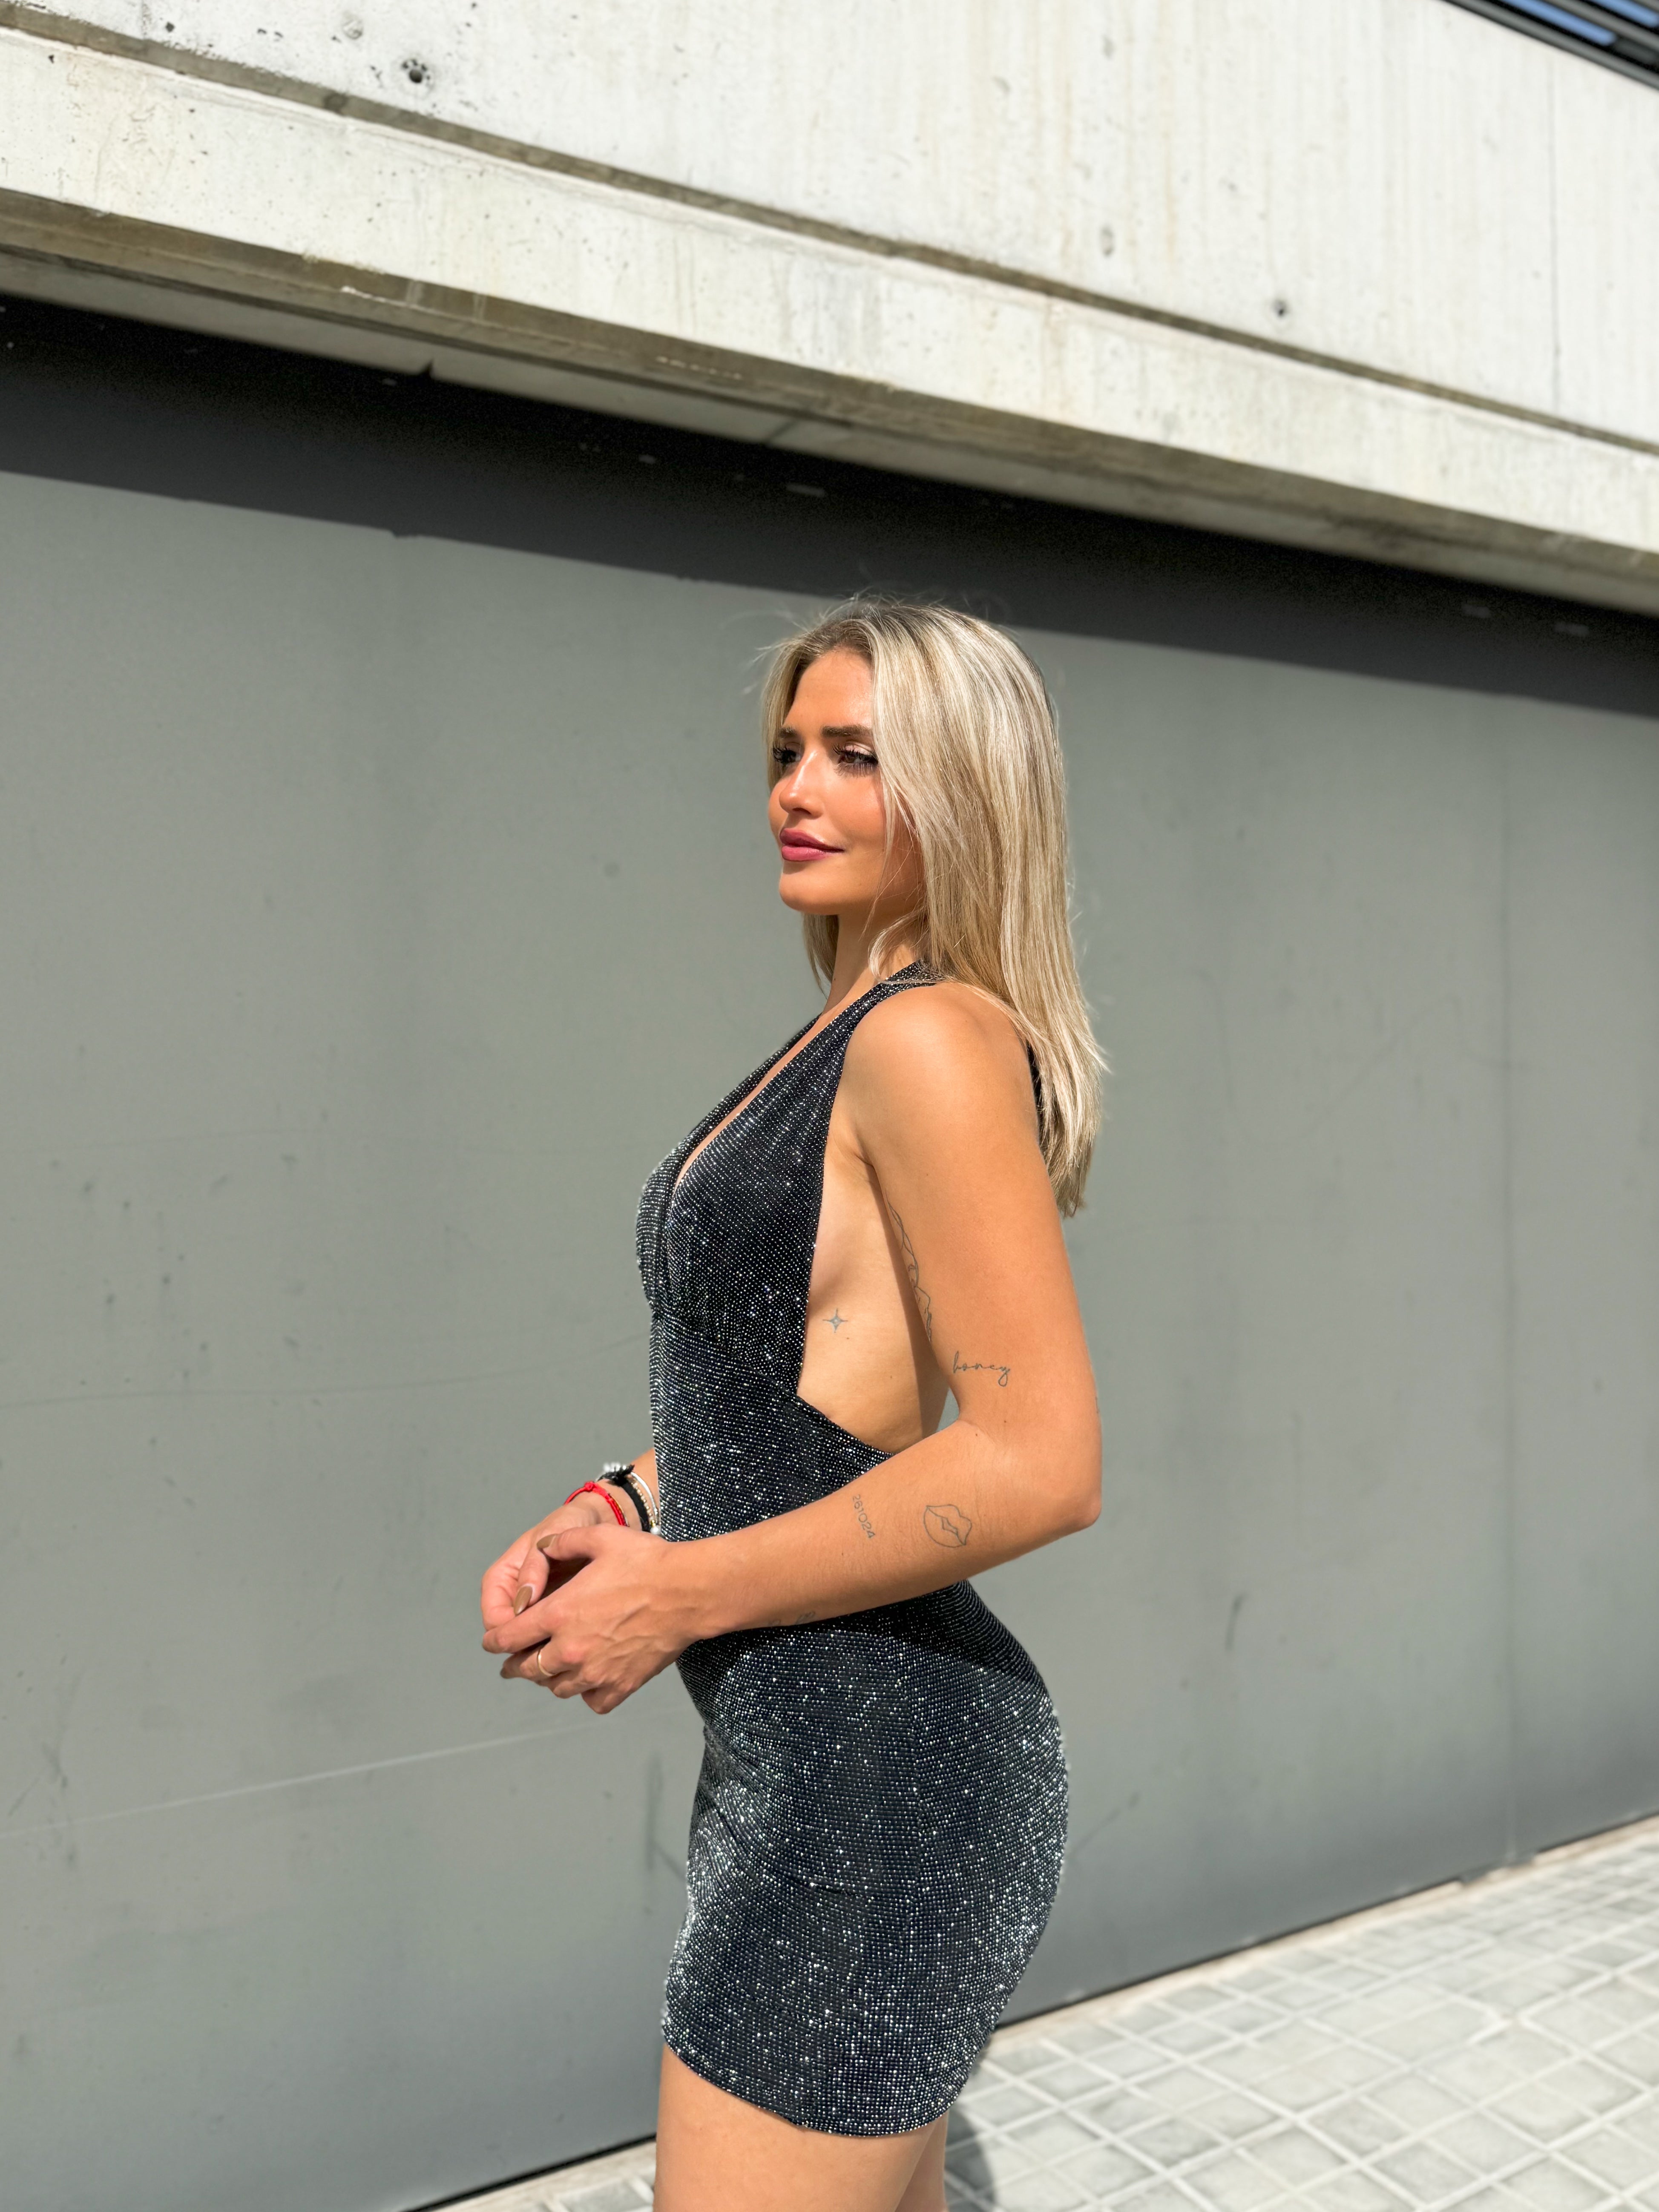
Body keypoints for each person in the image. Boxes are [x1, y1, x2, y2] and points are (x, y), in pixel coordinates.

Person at [480, 600, 1104, 2212]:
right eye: (786, 750)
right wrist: (623, 1501)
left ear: (963, 787)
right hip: (807, 1766)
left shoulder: (930, 1041)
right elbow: (782, 1399)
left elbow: (1043, 1459)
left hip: (882, 1791)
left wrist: (676, 1591)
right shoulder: (844, 1032)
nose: (795, 789)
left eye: (854, 755)